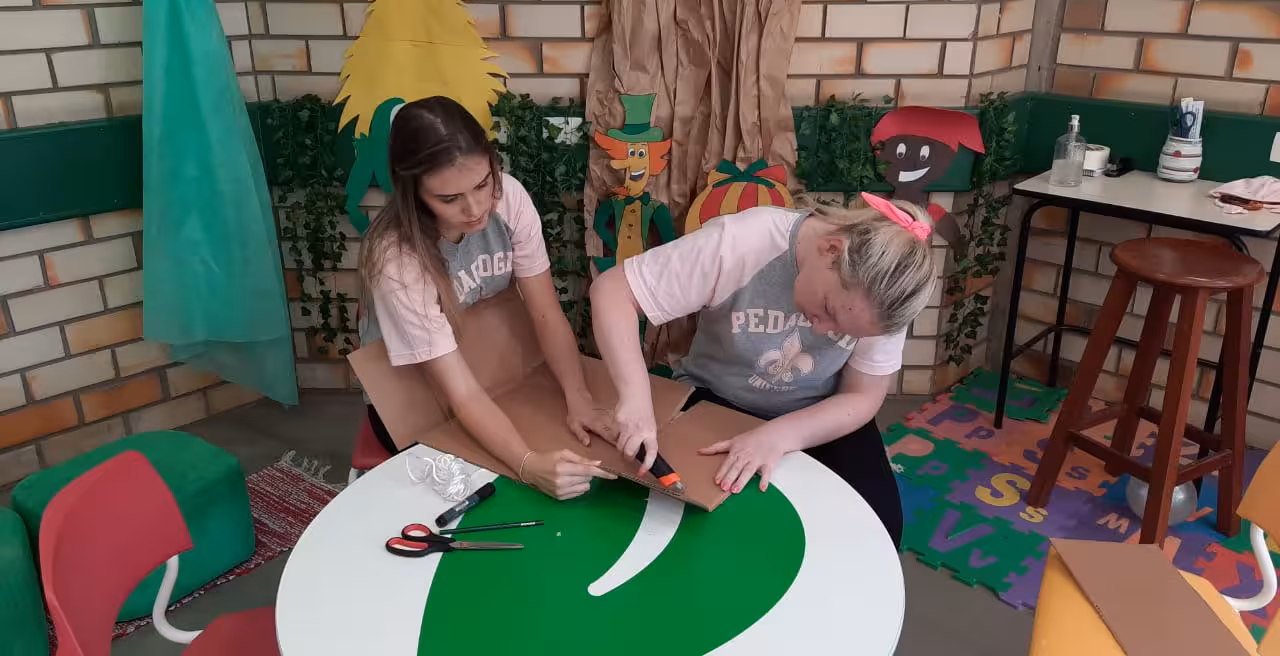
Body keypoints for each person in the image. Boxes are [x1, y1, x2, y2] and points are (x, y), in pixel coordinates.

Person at [589, 192, 937, 545]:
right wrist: (635, 400)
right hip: (718, 397)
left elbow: (863, 396)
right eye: (829, 310)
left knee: (879, 528)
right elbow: (613, 292)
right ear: (831, 250)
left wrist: (779, 437)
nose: (821, 332)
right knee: (704, 528)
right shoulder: (744, 241)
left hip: (819, 411)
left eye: (844, 330)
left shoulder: (885, 300)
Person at [360, 96, 614, 501]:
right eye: (449, 199)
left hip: (491, 371)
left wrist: (578, 397)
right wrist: (528, 465)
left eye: (482, 183)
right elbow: (458, 391)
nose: (475, 207)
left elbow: (546, 312)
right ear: (414, 193)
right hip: (418, 394)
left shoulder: (509, 197)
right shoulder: (397, 258)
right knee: (474, 490)